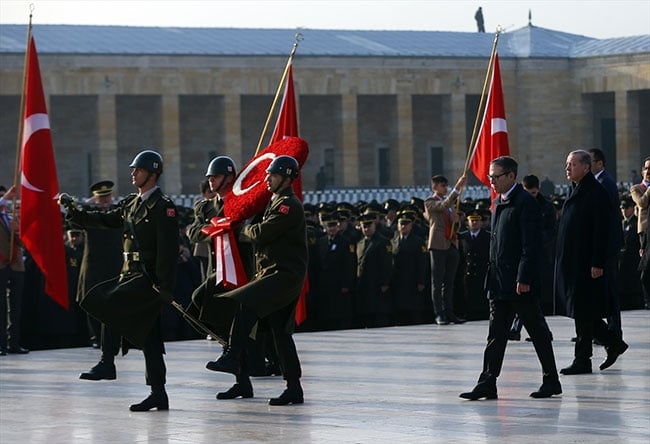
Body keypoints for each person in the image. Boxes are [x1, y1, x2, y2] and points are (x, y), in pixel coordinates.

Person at [60, 150, 179, 411]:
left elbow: (168, 250)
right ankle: (158, 393)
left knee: (104, 300)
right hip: (131, 273)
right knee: (150, 339)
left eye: (137, 170)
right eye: (133, 169)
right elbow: (103, 219)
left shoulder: (163, 206)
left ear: (152, 173)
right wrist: (75, 211)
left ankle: (107, 362)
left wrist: (166, 287)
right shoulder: (131, 204)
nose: (132, 173)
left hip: (149, 279)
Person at [204, 155, 308, 406]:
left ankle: (232, 355)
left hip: (283, 275)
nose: (267, 179)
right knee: (280, 333)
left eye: (272, 175)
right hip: (272, 274)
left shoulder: (288, 205)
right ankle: (293, 387)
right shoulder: (275, 202)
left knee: (243, 303)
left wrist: (239, 229)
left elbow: (262, 233)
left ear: (286, 178)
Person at [460, 156, 561, 400]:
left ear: (511, 176)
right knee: (495, 334)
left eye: (496, 176)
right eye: (490, 177)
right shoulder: (499, 202)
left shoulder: (525, 203)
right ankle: (487, 381)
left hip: (519, 283)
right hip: (498, 281)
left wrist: (523, 277)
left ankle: (551, 380)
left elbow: (531, 245)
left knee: (537, 331)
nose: (492, 181)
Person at [184, 156, 263, 398]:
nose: (211, 181)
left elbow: (254, 233)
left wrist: (235, 227)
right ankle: (240, 374)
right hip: (216, 272)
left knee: (237, 325)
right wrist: (213, 230)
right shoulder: (205, 207)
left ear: (229, 178)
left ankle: (241, 369)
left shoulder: (242, 204)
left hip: (241, 273)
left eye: (215, 177)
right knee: (198, 309)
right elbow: (192, 231)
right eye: (209, 177)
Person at [556, 150, 628, 375]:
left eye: (573, 164)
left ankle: (584, 357)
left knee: (583, 311)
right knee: (583, 311)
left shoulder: (596, 192)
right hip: (575, 262)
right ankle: (611, 343)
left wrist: (597, 262)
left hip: (587, 263)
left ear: (586, 167)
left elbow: (601, 231)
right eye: (567, 164)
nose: (568, 168)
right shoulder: (577, 189)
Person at [74, 180, 125, 379]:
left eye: (107, 197)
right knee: (91, 303)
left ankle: (112, 344)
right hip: (94, 267)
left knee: (112, 308)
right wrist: (87, 205)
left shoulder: (117, 213)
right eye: (101, 198)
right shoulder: (90, 215)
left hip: (114, 266)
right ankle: (96, 337)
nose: (105, 201)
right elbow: (73, 221)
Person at [509, 174, 557, 339]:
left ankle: (529, 330)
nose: (531, 197)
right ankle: (537, 331)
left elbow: (551, 230)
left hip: (540, 256)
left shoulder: (547, 206)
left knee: (531, 296)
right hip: (521, 256)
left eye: (534, 193)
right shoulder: (516, 204)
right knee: (524, 295)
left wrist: (536, 239)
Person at [588, 148, 626, 346]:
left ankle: (613, 331)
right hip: (609, 245)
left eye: (590, 161)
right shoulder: (603, 182)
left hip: (608, 246)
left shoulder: (604, 183)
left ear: (599, 163)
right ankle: (607, 330)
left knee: (609, 290)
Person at [424, 173, 467, 325]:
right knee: (437, 281)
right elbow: (442, 206)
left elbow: (454, 224)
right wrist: (457, 188)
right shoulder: (430, 201)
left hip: (451, 243)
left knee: (449, 281)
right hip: (438, 244)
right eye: (442, 186)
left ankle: (449, 311)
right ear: (434, 187)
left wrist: (457, 221)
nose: (445, 188)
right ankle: (438, 313)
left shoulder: (449, 205)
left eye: (446, 186)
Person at [0, 185, 29, 355]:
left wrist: (16, 230)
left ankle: (14, 343)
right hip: (1, 265)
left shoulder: (11, 217)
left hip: (16, 265)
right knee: (1, 306)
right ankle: (1, 344)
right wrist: (8, 196)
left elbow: (23, 243)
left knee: (15, 306)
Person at [354, 209, 393, 328]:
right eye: (363, 226)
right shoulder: (360, 243)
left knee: (378, 317)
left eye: (369, 225)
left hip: (377, 285)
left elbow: (387, 264)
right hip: (364, 285)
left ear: (374, 225)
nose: (366, 229)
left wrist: (385, 282)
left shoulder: (383, 241)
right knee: (366, 316)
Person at [390, 209, 428, 325]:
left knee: (414, 312)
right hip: (398, 281)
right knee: (400, 312)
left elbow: (423, 263)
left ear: (411, 225)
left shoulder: (418, 242)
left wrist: (421, 281)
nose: (403, 226)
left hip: (412, 281)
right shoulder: (393, 241)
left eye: (406, 224)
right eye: (401, 224)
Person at [457, 210, 490, 321]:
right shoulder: (462, 237)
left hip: (482, 270)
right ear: (467, 222)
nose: (474, 223)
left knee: (481, 295)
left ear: (481, 222)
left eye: (477, 221)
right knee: (468, 295)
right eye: (472, 221)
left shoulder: (488, 237)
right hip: (468, 271)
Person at [619, 196, 643, 309]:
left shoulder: (636, 223)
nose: (624, 210)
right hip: (622, 261)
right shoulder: (621, 223)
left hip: (632, 259)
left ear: (633, 208)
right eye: (622, 208)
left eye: (627, 207)